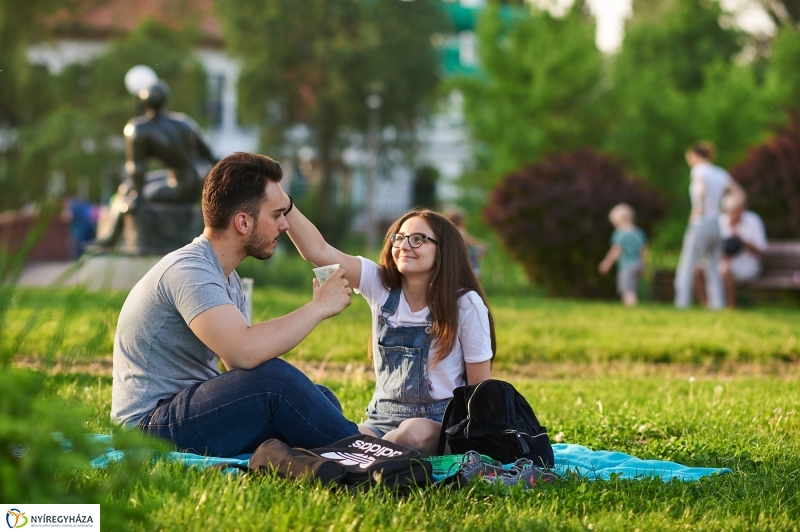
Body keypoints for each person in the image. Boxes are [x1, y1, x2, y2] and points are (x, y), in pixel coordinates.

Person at [111, 152, 366, 457]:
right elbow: (244, 354)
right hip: (147, 430)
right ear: (243, 222)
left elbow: (240, 369)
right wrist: (318, 308)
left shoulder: (226, 277)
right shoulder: (189, 270)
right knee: (278, 384)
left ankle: (323, 452)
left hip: (182, 415)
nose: (285, 225)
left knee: (317, 399)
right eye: (276, 215)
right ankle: (366, 455)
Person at [286, 206, 496, 456]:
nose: (404, 246)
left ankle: (362, 454)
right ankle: (369, 453)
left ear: (444, 250)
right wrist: (285, 205)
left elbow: (478, 390)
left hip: (439, 424)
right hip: (380, 420)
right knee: (339, 436)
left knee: (411, 433)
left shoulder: (465, 302)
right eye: (399, 238)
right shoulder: (380, 286)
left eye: (418, 239)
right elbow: (318, 251)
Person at [674, 142, 744, 309]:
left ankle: (682, 303)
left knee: (688, 262)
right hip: (716, 223)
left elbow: (700, 190)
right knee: (713, 265)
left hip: (701, 222)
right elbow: (739, 193)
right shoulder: (721, 173)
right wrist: (729, 209)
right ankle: (717, 304)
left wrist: (698, 209)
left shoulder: (699, 171)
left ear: (695, 156)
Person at [693, 192, 767, 309]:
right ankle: (706, 306)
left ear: (743, 208)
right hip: (720, 261)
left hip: (746, 265)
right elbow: (710, 248)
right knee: (698, 269)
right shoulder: (720, 221)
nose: (735, 215)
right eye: (732, 211)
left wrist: (743, 242)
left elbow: (761, 251)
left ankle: (730, 307)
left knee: (725, 269)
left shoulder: (753, 221)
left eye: (738, 210)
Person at [598, 203, 648, 307]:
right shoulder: (639, 233)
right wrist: (644, 267)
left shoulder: (619, 233)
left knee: (626, 290)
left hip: (626, 265)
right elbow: (644, 251)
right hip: (637, 264)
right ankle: (631, 306)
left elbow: (616, 250)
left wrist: (606, 264)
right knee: (632, 288)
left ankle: (631, 309)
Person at [445, 206, 488, 277]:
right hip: (464, 255)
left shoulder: (449, 230)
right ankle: (474, 271)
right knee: (477, 252)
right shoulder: (460, 230)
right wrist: (483, 245)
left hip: (454, 256)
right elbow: (471, 241)